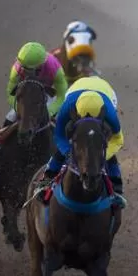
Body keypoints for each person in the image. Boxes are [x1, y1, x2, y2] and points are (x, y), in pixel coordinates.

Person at [34, 76, 125, 207]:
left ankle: (117, 190)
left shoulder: (109, 111)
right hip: (76, 90)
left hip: (106, 92)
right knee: (59, 152)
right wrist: (68, 153)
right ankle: (44, 184)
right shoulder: (67, 107)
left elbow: (117, 139)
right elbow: (59, 136)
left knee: (106, 154)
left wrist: (101, 155)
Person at [3, 42, 68, 128]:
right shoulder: (17, 68)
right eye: (23, 68)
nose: (24, 71)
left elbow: (62, 96)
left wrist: (49, 111)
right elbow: (10, 93)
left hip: (46, 94)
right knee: (11, 117)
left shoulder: (55, 68)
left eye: (29, 70)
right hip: (26, 93)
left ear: (41, 65)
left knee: (60, 120)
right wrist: (20, 109)